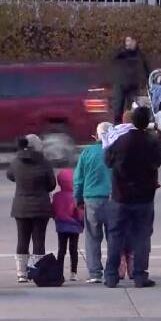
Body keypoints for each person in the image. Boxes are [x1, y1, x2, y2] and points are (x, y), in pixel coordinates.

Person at [104, 106, 161, 288]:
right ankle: (140, 275)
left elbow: (108, 161)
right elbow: (157, 163)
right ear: (147, 122)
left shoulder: (121, 141)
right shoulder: (153, 142)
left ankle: (111, 275)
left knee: (116, 236)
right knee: (142, 237)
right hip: (144, 196)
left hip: (120, 195)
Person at [7, 135, 56, 283]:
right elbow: (51, 185)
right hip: (41, 207)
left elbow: (10, 176)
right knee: (39, 240)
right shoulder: (44, 163)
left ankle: (21, 273)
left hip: (21, 206)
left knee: (22, 239)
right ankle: (37, 271)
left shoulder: (16, 161)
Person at [74, 122, 113, 284]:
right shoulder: (115, 152)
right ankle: (112, 271)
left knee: (92, 237)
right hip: (113, 199)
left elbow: (79, 179)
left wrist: (78, 199)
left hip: (92, 199)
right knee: (113, 237)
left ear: (96, 136)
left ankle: (95, 272)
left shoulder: (87, 153)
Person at [111, 36, 150, 124]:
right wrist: (123, 50)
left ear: (135, 42)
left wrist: (148, 80)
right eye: (127, 41)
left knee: (132, 108)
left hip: (133, 85)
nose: (129, 43)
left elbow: (146, 69)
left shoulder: (140, 54)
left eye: (131, 41)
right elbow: (113, 58)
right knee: (118, 108)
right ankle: (117, 126)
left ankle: (131, 126)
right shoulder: (121, 53)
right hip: (121, 84)